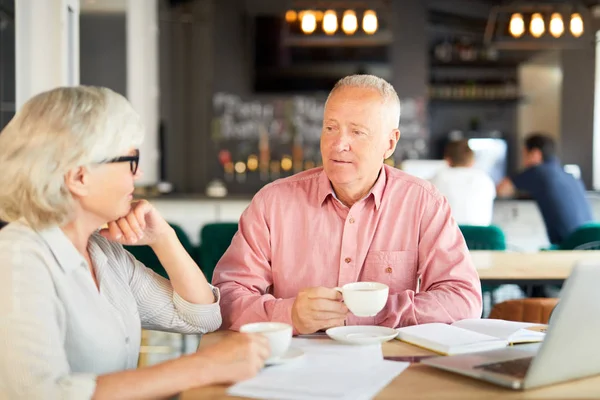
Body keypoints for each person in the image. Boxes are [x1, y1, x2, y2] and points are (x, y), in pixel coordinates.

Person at [0, 86, 270, 400]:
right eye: (130, 160)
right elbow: (39, 394)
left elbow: (203, 318)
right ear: (79, 177)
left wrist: (163, 239)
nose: (138, 173)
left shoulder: (103, 252)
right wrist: (201, 367)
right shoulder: (17, 259)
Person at [213, 75, 482, 335]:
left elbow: (463, 299)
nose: (339, 144)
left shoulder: (423, 202)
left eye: (357, 132)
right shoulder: (272, 203)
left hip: (389, 364)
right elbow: (225, 298)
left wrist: (372, 312)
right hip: (296, 365)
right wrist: (288, 314)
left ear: (390, 143)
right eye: (330, 128)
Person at [497, 133, 593, 245]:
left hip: (568, 246)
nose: (523, 160)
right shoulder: (570, 176)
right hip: (592, 243)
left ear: (535, 154)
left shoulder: (537, 172)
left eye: (524, 154)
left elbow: (501, 189)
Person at [430, 139, 496, 226]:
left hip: (449, 237)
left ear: (447, 160)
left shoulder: (439, 178)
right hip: (481, 237)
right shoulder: (485, 179)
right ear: (472, 161)